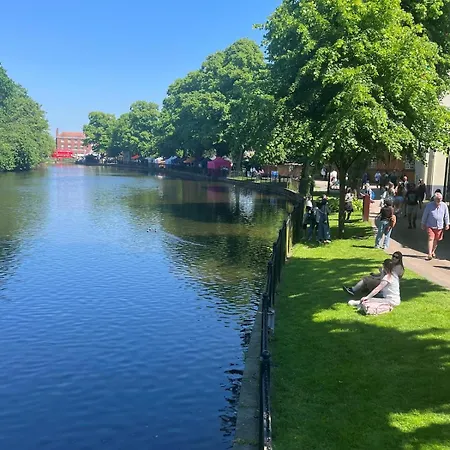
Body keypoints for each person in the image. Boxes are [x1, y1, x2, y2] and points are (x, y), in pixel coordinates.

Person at [421, 192, 449, 260]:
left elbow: (446, 215)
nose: (439, 200)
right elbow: (425, 215)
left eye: (440, 199)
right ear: (434, 199)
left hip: (439, 226)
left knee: (436, 240)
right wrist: (423, 223)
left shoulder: (444, 205)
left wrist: (447, 224)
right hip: (430, 225)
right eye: (438, 199)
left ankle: (433, 251)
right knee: (431, 238)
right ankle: (429, 254)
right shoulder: (429, 205)